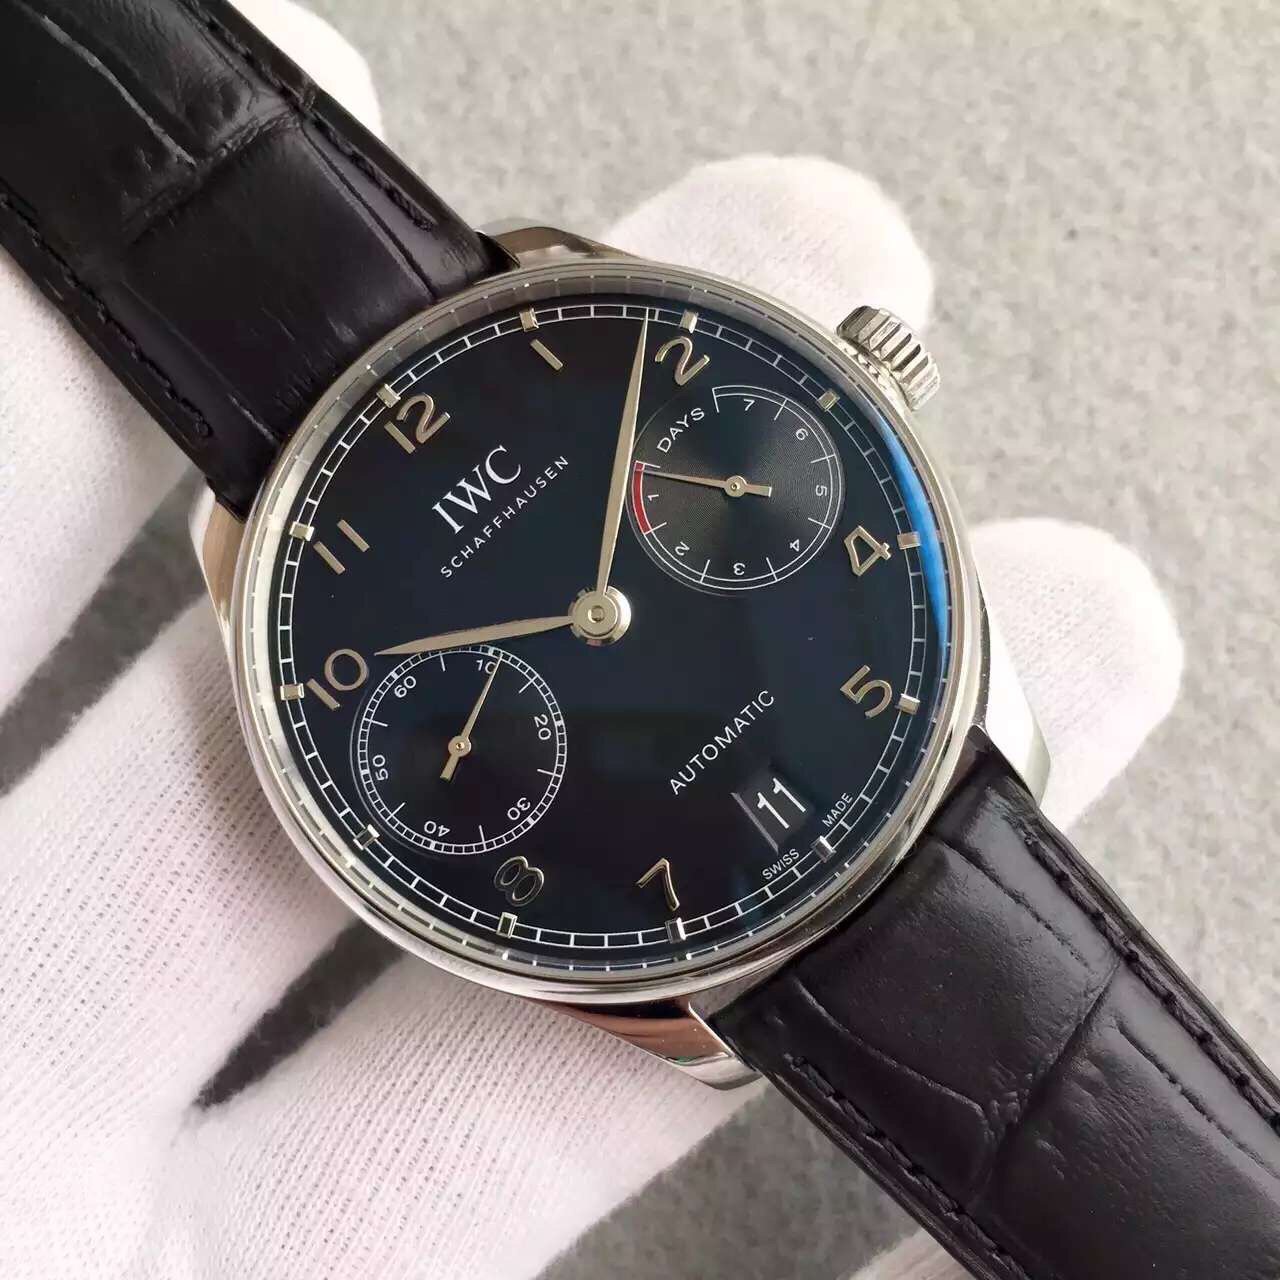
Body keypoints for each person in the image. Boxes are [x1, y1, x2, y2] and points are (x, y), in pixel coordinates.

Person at [0, 3, 1182, 1276]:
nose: (598, 615)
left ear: (863, 371)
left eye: (597, 605)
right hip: (731, 917)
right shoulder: (296, 616)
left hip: (889, 805)